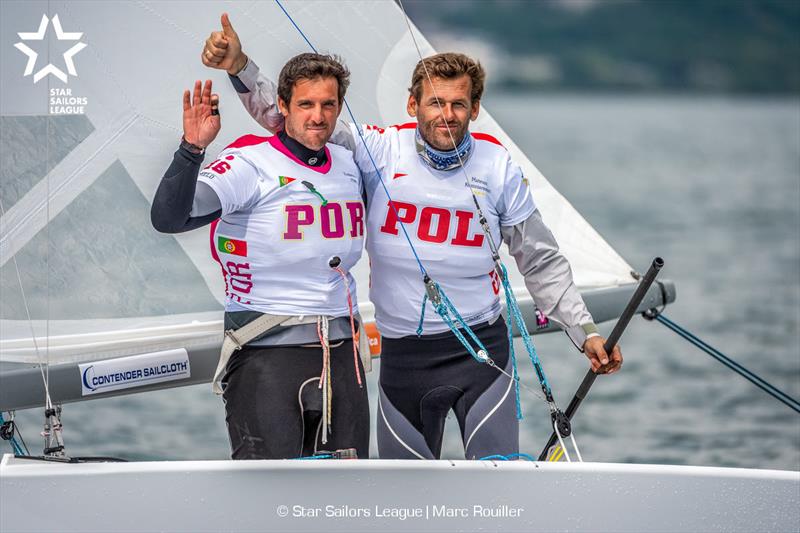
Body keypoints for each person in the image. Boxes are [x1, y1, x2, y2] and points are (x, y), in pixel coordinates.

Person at [201, 14, 622, 460]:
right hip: (404, 360)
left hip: (482, 355)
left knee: (499, 482)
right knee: (405, 499)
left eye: (459, 104)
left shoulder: (497, 169)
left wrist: (585, 331)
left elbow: (540, 260)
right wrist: (239, 66)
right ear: (412, 105)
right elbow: (293, 116)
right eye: (436, 102)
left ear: (475, 109)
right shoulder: (377, 152)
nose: (447, 114)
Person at [150, 52, 369, 460]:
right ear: (282, 106)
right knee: (268, 504)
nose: (318, 116)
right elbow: (170, 218)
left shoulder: (349, 162)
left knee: (347, 503)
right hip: (267, 357)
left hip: (342, 356)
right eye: (305, 104)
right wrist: (191, 150)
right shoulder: (250, 163)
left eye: (328, 104)